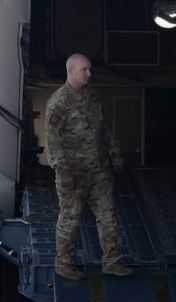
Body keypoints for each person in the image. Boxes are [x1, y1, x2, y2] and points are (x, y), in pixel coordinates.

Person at [45, 53, 133, 279]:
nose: (89, 74)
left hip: (98, 170)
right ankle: (64, 264)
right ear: (70, 71)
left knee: (108, 216)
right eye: (84, 69)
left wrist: (114, 151)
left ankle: (112, 262)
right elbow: (53, 142)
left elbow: (102, 128)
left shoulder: (91, 96)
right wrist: (63, 171)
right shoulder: (59, 102)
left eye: (89, 69)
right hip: (73, 174)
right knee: (71, 218)